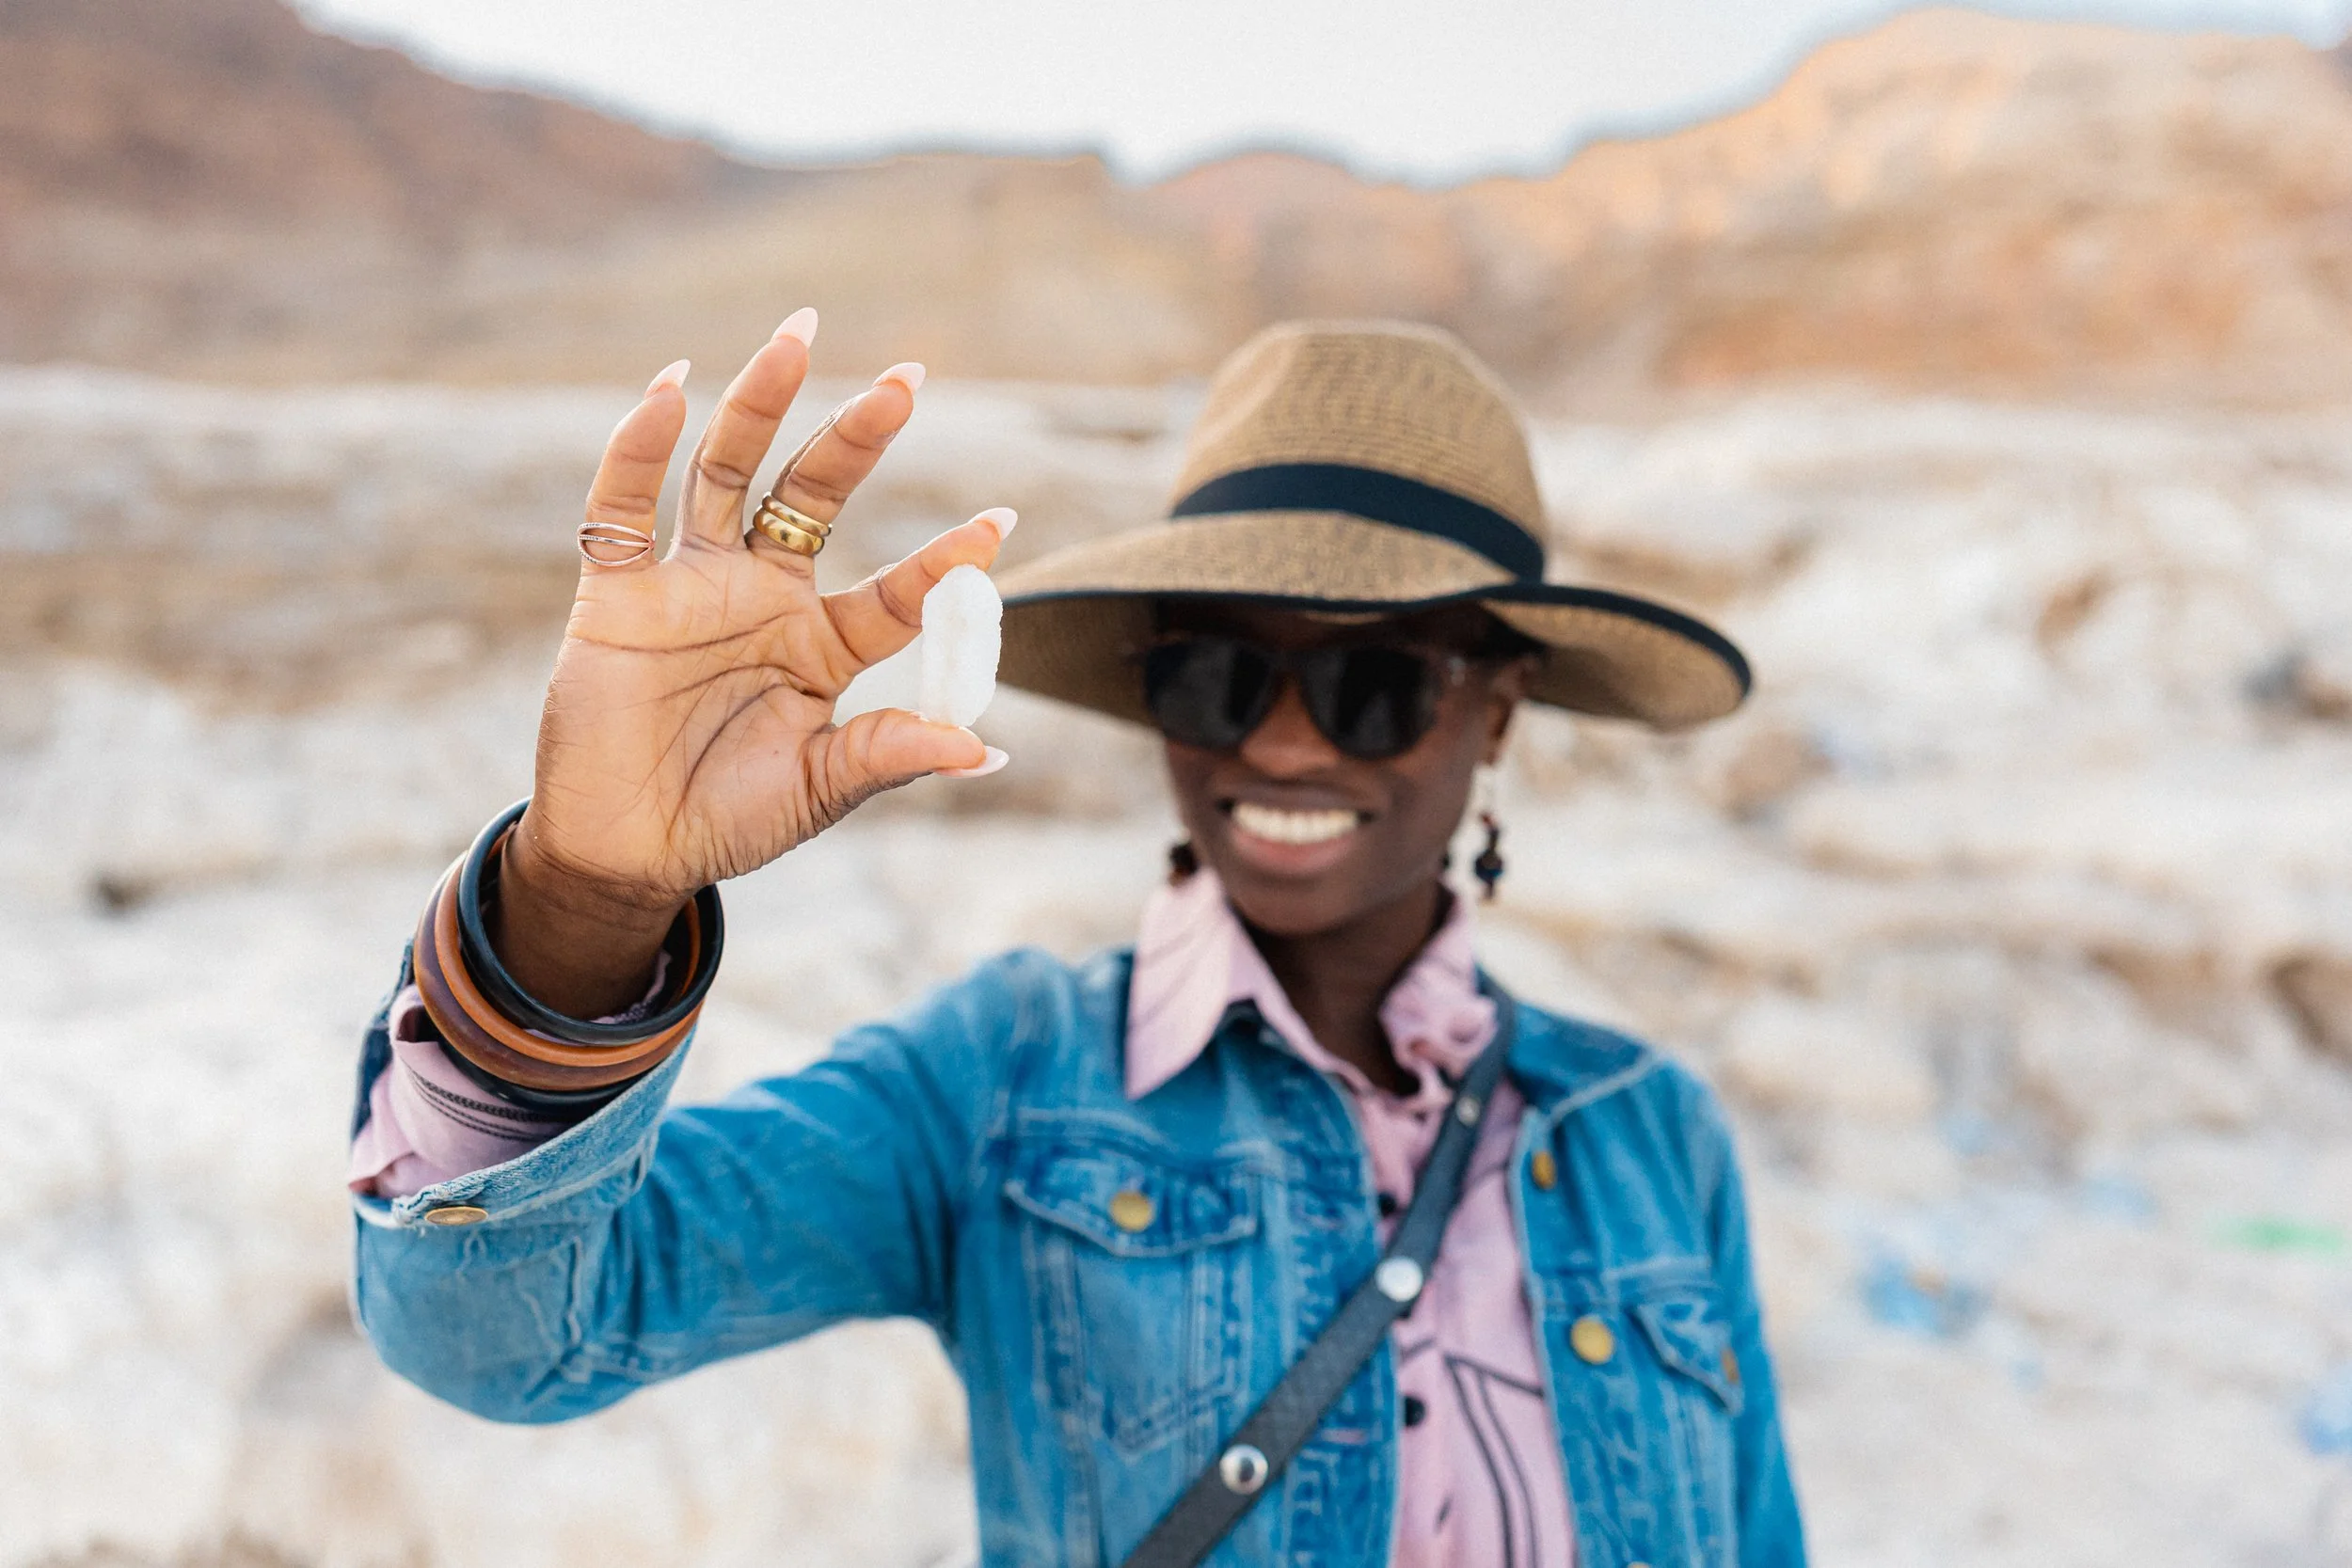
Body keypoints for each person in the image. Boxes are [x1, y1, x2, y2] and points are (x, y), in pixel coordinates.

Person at [348, 315, 1805, 1568]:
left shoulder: (1648, 1131)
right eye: (1220, 672)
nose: (1283, 744)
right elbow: (509, 1339)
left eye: (1373, 682)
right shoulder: (1003, 1079)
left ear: (1496, 708)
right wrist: (590, 892)